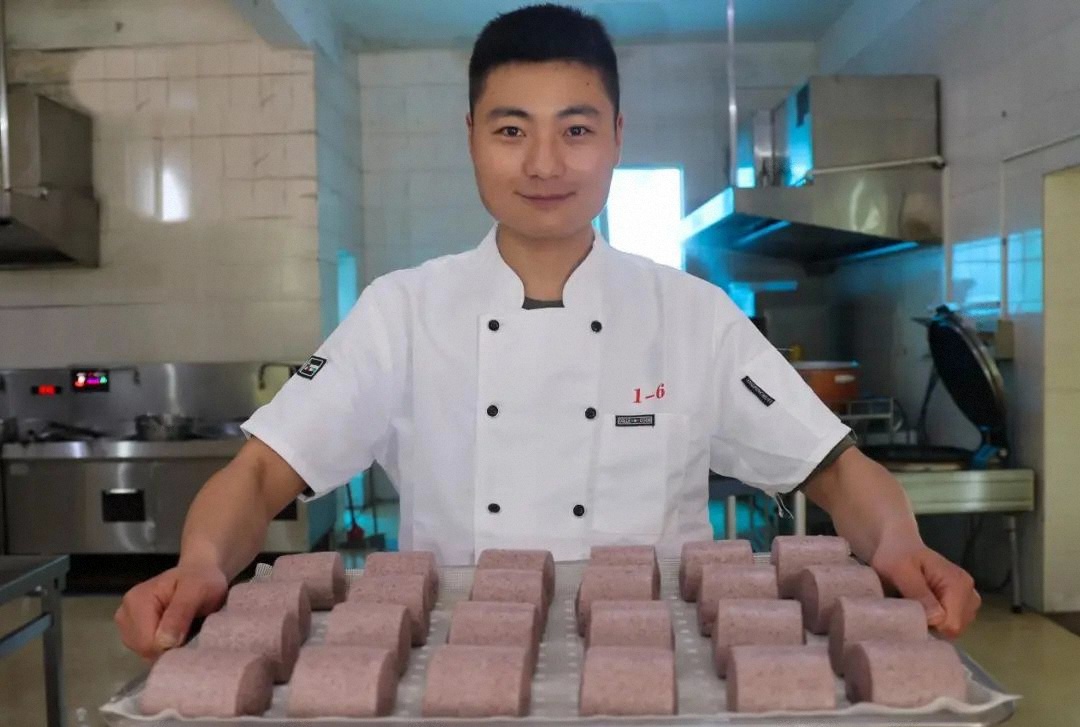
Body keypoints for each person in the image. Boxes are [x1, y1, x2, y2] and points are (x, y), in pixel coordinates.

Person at [115, 4, 979, 660]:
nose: (543, 164)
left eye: (576, 129)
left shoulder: (692, 315)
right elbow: (261, 470)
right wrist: (202, 564)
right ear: (471, 138)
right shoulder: (401, 312)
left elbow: (836, 467)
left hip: (663, 672)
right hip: (450, 671)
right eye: (510, 130)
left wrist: (901, 545)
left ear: (616, 138)